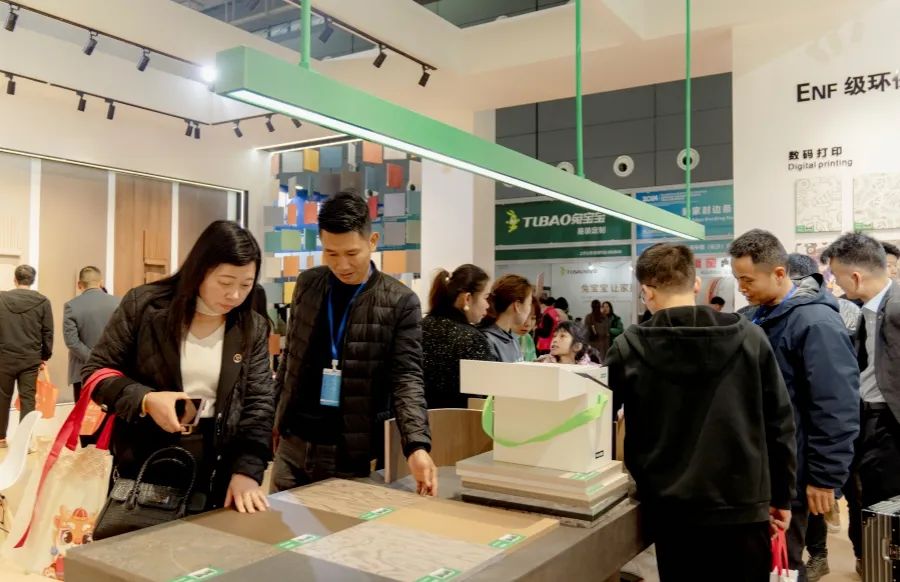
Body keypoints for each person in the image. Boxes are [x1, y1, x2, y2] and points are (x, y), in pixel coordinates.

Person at [606, 243, 797, 582]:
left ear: (647, 292)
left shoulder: (628, 347)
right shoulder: (750, 338)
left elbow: (600, 418)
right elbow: (780, 423)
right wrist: (782, 495)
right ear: (695, 284)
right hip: (743, 504)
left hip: (669, 507)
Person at [84, 221, 275, 514]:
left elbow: (259, 404)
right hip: (147, 463)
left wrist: (247, 471)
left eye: (246, 285)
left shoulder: (252, 326)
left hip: (218, 467)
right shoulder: (145, 306)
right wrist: (146, 400)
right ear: (200, 270)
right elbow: (96, 373)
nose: (235, 295)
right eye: (225, 283)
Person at [272, 192, 437, 495]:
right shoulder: (308, 284)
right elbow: (291, 358)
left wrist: (416, 445)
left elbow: (407, 379)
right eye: (331, 253)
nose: (342, 265)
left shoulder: (400, 302)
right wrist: (272, 420)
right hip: (292, 445)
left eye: (351, 253)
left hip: (349, 454)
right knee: (277, 524)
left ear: (372, 241)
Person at [730, 229, 860, 581]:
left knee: (784, 563)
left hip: (796, 472)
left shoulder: (815, 323)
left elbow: (836, 406)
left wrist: (825, 478)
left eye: (747, 280)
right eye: (738, 279)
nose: (742, 287)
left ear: (778, 273)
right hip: (766, 469)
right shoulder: (757, 316)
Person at [825, 233, 900, 576]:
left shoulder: (896, 308)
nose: (834, 282)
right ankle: (874, 564)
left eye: (836, 275)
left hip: (888, 423)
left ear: (855, 277)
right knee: (867, 498)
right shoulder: (867, 311)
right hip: (867, 419)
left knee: (884, 501)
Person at [786, 252, 858, 579]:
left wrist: (829, 474)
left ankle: (819, 554)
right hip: (810, 426)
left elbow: (834, 395)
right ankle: (818, 553)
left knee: (816, 493)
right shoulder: (785, 313)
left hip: (822, 420)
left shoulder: (823, 316)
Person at [421, 264, 495, 409]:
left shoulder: (419, 327)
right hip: (458, 420)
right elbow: (484, 397)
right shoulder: (472, 339)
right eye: (485, 297)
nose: (487, 305)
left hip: (414, 418)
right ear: (467, 298)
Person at [0, 265, 53, 448]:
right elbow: (48, 332)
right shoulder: (43, 302)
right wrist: (44, 356)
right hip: (30, 359)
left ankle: (0, 439)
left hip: (4, 357)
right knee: (28, 399)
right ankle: (25, 441)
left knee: (2, 397)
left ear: (15, 280)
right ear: (32, 280)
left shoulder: (1, 299)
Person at [64, 266, 120, 403]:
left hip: (82, 369)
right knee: (109, 411)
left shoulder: (71, 306)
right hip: (112, 367)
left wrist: (92, 358)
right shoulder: (118, 302)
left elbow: (72, 342)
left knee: (83, 412)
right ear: (101, 282)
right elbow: (122, 335)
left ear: (79, 285)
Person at [481, 274, 533, 363]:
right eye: (529, 303)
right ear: (517, 305)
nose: (529, 309)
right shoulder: (487, 341)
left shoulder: (512, 338)